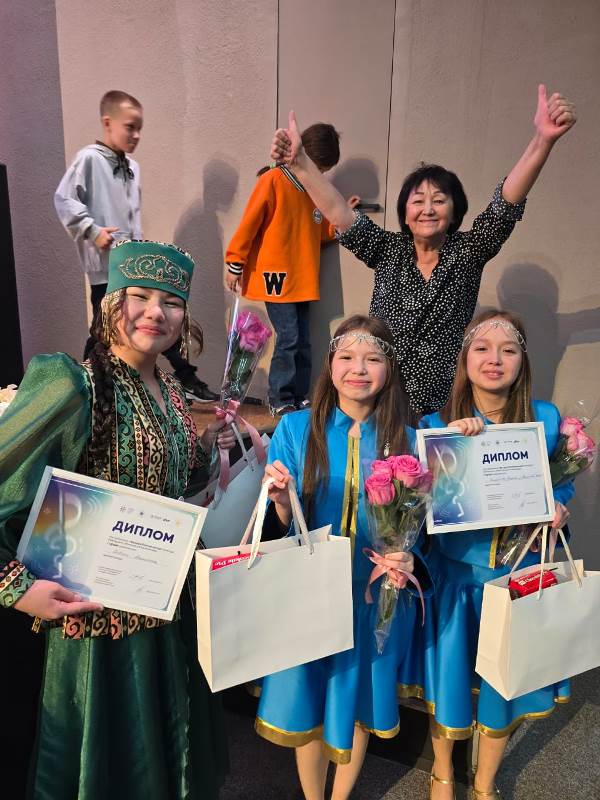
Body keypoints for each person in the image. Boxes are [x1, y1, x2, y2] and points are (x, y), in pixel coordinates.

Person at [0, 240, 234, 799]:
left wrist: (209, 448)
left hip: (164, 612)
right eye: (140, 296)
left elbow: (168, 487)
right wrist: (16, 587)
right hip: (97, 630)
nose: (156, 312)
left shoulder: (172, 390)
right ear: (111, 305)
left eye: (171, 302)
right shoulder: (72, 386)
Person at [270, 85, 577, 414]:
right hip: (383, 398)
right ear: (405, 213)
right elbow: (338, 211)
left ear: (454, 212)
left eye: (439, 201)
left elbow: (504, 206)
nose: (428, 209)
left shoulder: (469, 252)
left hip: (446, 405)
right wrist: (301, 164)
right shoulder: (388, 250)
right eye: (418, 201)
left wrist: (542, 141)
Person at [255, 314, 430, 800]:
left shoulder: (408, 439)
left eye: (373, 359)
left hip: (372, 596)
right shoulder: (296, 429)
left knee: (355, 702)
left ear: (389, 370)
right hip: (310, 591)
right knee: (310, 699)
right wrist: (281, 502)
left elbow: (420, 523)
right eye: (347, 357)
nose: (359, 369)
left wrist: (408, 555)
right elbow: (279, 527)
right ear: (330, 366)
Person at [414, 309, 574, 800]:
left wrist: (558, 505)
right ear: (465, 359)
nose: (494, 359)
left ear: (522, 361)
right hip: (458, 579)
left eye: (507, 350)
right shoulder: (437, 423)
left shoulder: (546, 419)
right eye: (482, 349)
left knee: (503, 688)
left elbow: (560, 482)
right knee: (450, 683)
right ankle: (443, 772)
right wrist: (449, 448)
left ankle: (485, 783)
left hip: (516, 578)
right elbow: (420, 501)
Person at [54, 89, 219, 402]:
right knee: (103, 330)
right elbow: (64, 199)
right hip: (106, 268)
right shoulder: (89, 159)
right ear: (108, 123)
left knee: (154, 316)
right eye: (130, 127)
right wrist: (92, 230)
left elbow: (132, 216)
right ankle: (87, 387)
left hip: (132, 266)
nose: (136, 135)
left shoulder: (133, 167)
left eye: (139, 128)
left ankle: (184, 378)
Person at [225, 123, 344, 416]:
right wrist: (235, 263)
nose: (321, 175)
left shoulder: (313, 192)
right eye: (321, 168)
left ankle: (298, 394)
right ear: (307, 157)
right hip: (277, 277)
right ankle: (279, 396)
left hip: (303, 277)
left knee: (303, 339)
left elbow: (317, 231)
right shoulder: (273, 180)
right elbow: (249, 224)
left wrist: (340, 223)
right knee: (289, 337)